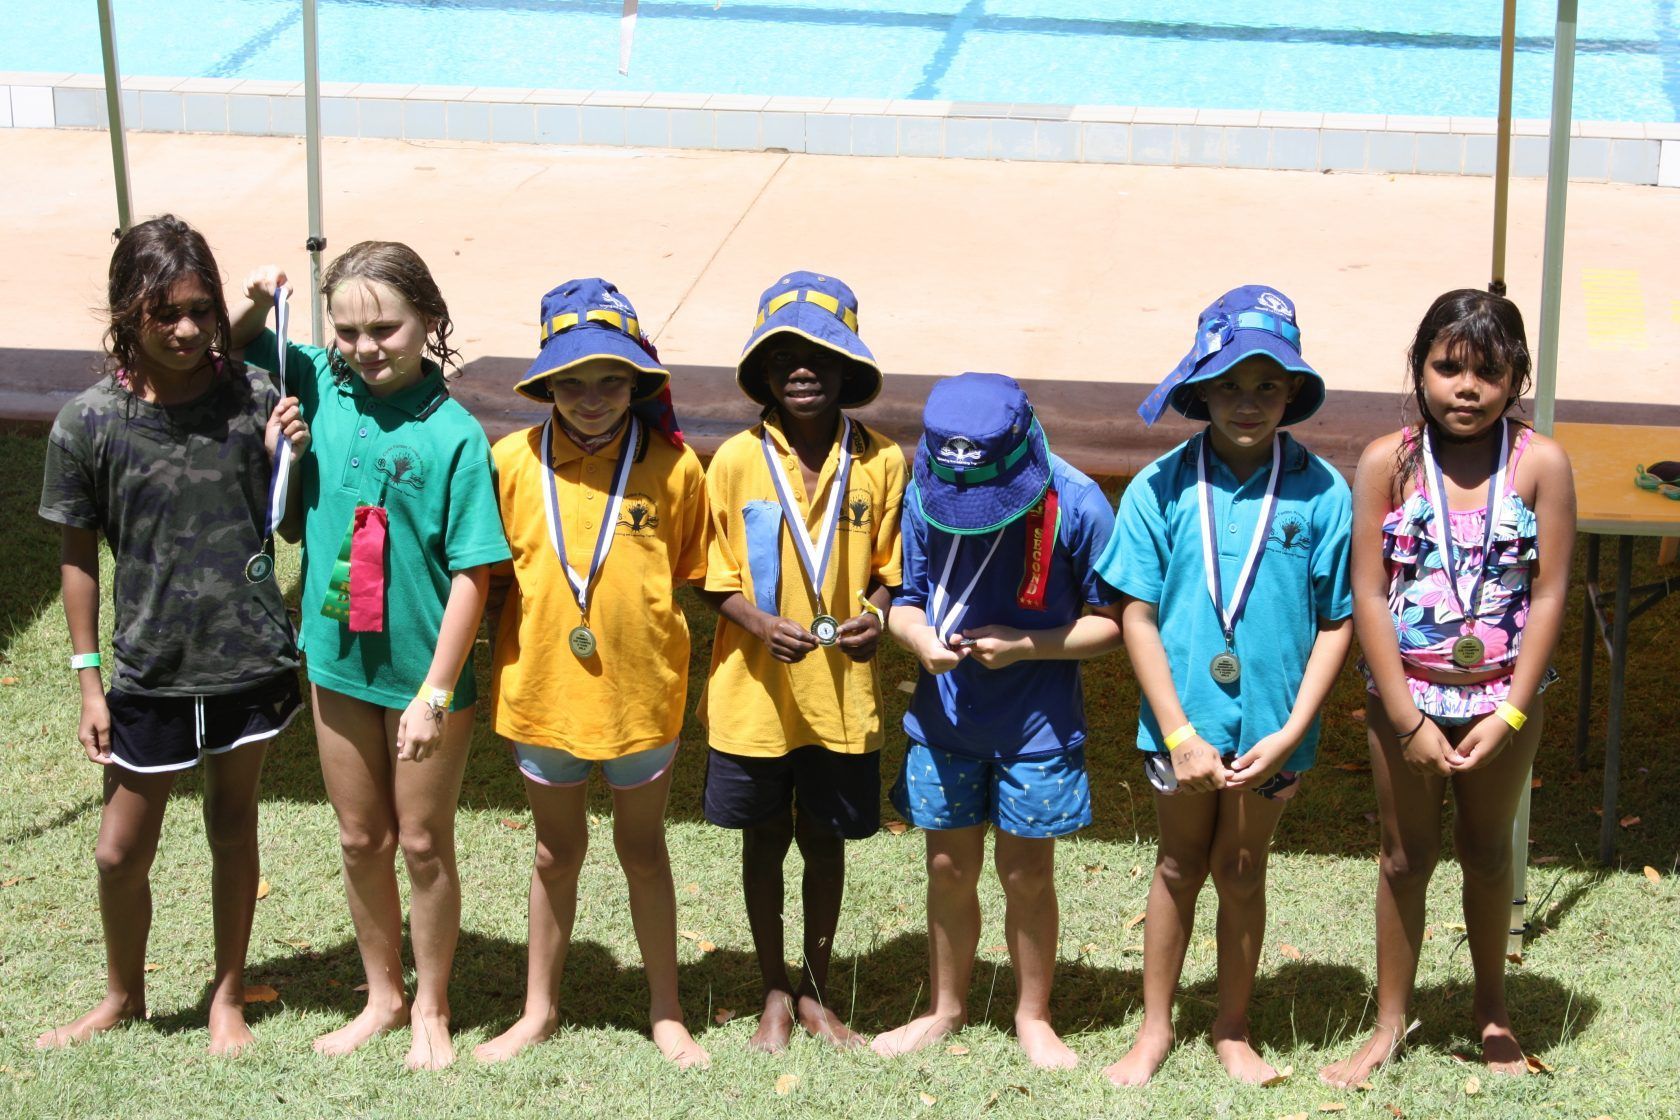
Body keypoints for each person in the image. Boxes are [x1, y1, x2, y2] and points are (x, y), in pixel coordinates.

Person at [233, 244, 511, 1069]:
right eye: (348, 330)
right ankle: (382, 996)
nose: (367, 347)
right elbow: (242, 341)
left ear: (430, 319)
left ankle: (432, 1004)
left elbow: (473, 575)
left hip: (422, 675)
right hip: (334, 658)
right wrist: (254, 298)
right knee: (360, 837)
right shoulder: (319, 380)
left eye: (386, 327)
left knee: (422, 841)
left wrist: (434, 692)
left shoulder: (455, 436)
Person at [36, 215, 309, 1056]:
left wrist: (286, 455)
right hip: (148, 670)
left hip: (246, 662)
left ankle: (227, 992)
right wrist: (89, 679)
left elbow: (290, 527)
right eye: (165, 314)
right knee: (120, 853)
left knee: (233, 826)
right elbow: (78, 554)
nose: (188, 330)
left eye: (201, 310)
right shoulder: (88, 424)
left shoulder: (256, 399)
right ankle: (125, 995)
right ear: (127, 312)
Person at [1099, 286, 1353, 1086]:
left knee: (1243, 869)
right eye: (1232, 387)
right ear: (1202, 389)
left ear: (1293, 395)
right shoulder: (1159, 488)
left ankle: (1233, 1029)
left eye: (1268, 387)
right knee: (1178, 864)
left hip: (1275, 730)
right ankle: (1153, 1028)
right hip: (1182, 726)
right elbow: (1135, 615)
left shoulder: (1322, 493)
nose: (1249, 404)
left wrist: (1292, 730)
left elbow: (1337, 620)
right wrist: (1178, 731)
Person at [1321, 289, 1574, 1086]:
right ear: (1420, 369)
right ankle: (1390, 1023)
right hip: (1406, 699)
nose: (1466, 388)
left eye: (1488, 373)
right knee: (1404, 857)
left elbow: (1550, 594)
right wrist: (1404, 719)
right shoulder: (1384, 464)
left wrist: (1510, 711)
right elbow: (1366, 592)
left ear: (1516, 379)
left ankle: (1492, 1012)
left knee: (1488, 852)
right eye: (1448, 367)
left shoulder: (1540, 464)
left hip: (1502, 702)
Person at [472, 279, 709, 1068]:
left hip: (641, 701)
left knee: (645, 853)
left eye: (612, 381)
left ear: (640, 383)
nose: (593, 398)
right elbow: (488, 574)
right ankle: (538, 1011)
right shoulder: (509, 462)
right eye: (570, 383)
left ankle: (667, 1010)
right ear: (544, 386)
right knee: (553, 853)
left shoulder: (675, 468)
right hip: (542, 693)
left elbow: (684, 568)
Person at [872, 372, 1124, 1069]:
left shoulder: (1075, 502)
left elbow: (1114, 625)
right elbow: (904, 598)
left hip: (1036, 727)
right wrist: (915, 638)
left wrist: (1028, 646)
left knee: (1026, 875)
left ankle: (1032, 1015)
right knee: (948, 866)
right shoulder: (923, 495)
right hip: (945, 721)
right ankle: (946, 1006)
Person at [697, 272, 903, 1051]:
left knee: (823, 837)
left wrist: (877, 617)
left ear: (848, 368)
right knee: (763, 841)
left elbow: (893, 571)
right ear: (763, 373)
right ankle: (773, 992)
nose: (803, 370)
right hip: (755, 694)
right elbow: (711, 576)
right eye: (784, 356)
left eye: (820, 355)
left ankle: (817, 991)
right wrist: (756, 620)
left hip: (840, 696)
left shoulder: (881, 461)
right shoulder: (735, 462)